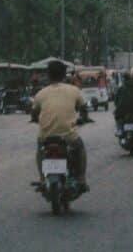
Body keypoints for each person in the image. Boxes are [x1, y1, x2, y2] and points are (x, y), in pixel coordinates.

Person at [31, 60, 89, 192]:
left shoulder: (40, 93)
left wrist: (36, 119)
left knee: (40, 151)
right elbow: (83, 109)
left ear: (48, 75)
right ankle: (81, 178)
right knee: (80, 149)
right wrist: (83, 119)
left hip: (46, 136)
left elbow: (34, 113)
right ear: (64, 75)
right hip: (68, 136)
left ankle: (41, 178)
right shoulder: (74, 90)